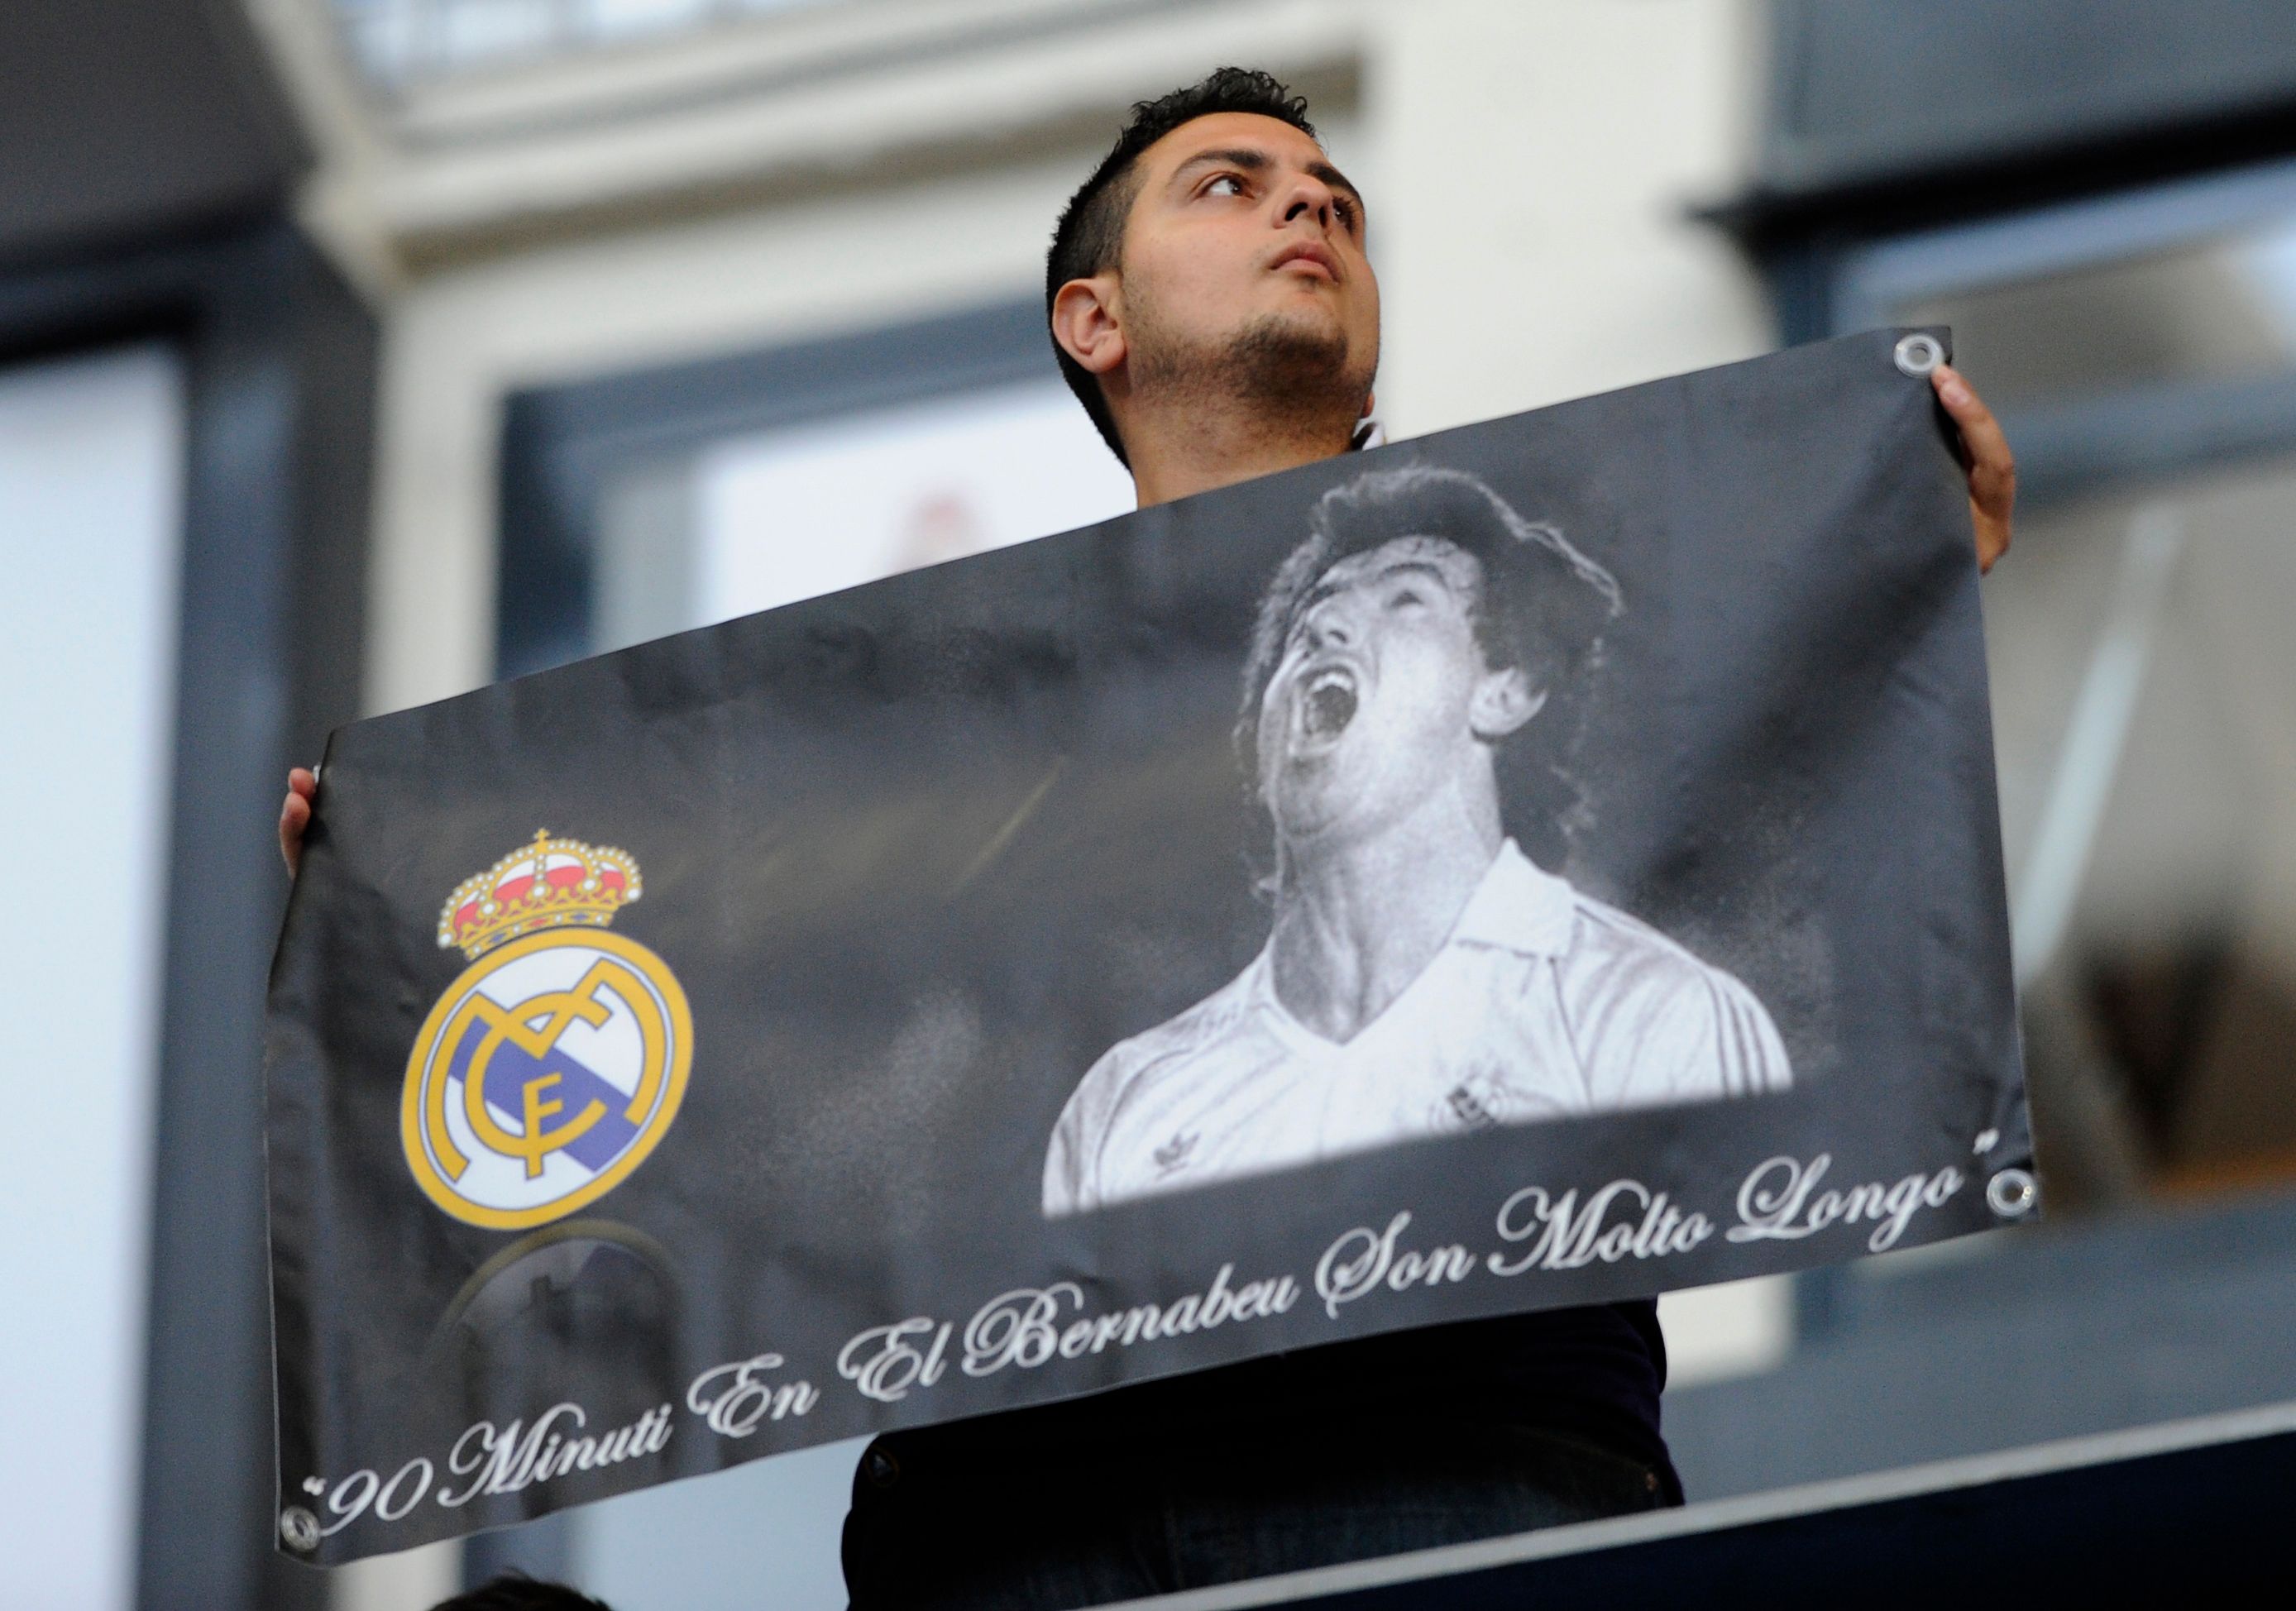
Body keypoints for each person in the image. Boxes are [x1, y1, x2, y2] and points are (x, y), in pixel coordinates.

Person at [280, 64, 2015, 1611]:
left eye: (1331, 197)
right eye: (1231, 185)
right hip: (1010, 1514)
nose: (1307, 208)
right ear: (1092, 321)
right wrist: (402, 916)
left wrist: (1889, 564)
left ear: (1495, 689)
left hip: (1456, 1473)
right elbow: (727, 1063)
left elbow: (1786, 839)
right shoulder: (934, 773)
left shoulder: (1581, 800)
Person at [1045, 464, 1790, 1217]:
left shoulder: (1650, 1015)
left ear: (1507, 692)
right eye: (1312, 622)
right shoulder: (1127, 1105)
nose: (1327, 628)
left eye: (1405, 601)